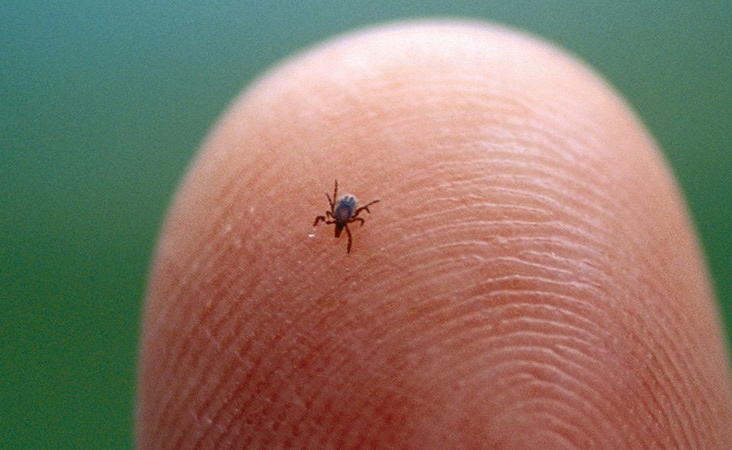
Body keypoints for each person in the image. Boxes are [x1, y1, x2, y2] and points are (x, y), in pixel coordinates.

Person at [137, 22, 732, 448]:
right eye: (342, 216)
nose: (342, 219)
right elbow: (340, 207)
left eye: (343, 217)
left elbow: (345, 204)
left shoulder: (346, 214)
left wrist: (352, 211)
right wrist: (343, 216)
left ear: (345, 216)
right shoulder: (343, 216)